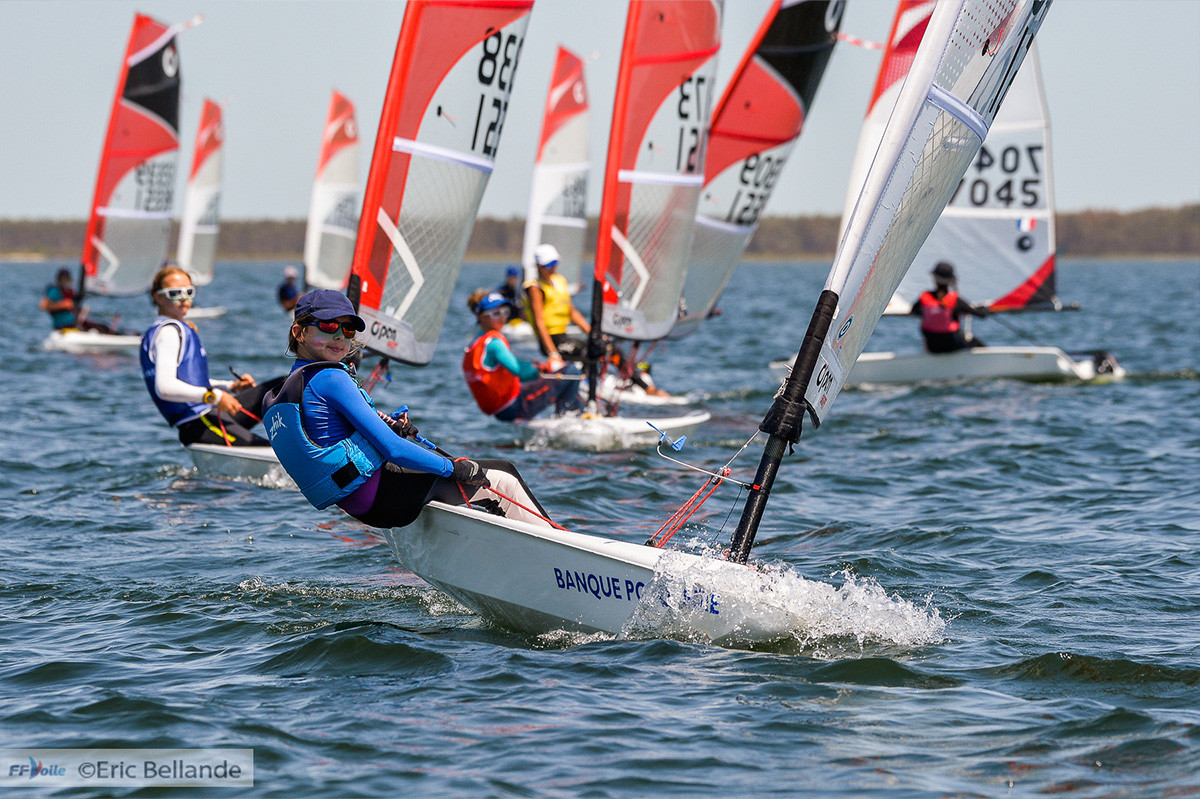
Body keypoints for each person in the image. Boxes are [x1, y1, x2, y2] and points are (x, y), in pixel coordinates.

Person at [263, 288, 553, 530]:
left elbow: (336, 433)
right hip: (381, 495)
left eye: (348, 328)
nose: (340, 335)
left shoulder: (297, 380)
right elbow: (394, 450)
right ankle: (557, 554)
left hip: (360, 503)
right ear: (299, 332)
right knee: (504, 476)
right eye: (328, 326)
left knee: (469, 479)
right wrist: (453, 468)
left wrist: (389, 425)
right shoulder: (331, 377)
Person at [140, 265, 284, 446]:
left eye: (189, 292)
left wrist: (231, 387)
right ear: (158, 297)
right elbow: (165, 387)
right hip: (199, 425)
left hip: (212, 415)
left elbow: (192, 382)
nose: (184, 298)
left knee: (285, 385)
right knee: (275, 455)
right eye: (175, 293)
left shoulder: (178, 328)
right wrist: (215, 397)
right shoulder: (168, 333)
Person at [462, 291, 583, 422]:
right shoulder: (494, 343)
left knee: (558, 378)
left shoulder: (474, 344)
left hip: (501, 409)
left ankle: (574, 412)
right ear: (481, 317)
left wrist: (538, 371)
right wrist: (543, 367)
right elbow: (519, 371)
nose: (502, 317)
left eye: (504, 312)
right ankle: (567, 419)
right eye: (496, 313)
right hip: (514, 407)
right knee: (572, 372)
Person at [524, 243, 590, 368]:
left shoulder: (560, 281)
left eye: (554, 263)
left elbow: (572, 312)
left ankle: (630, 378)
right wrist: (553, 353)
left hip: (564, 336)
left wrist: (592, 333)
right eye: (547, 265)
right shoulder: (535, 288)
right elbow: (539, 323)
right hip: (550, 340)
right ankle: (588, 383)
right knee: (585, 351)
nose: (552, 268)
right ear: (538, 267)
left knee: (599, 346)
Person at [910, 261, 989, 353]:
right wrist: (984, 309)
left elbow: (913, 311)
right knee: (975, 342)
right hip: (952, 347)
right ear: (952, 280)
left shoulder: (924, 298)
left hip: (933, 348)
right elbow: (981, 315)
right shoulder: (955, 300)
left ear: (934, 279)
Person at [39, 267, 119, 333]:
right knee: (98, 329)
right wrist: (63, 304)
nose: (67, 282)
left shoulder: (69, 292)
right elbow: (43, 305)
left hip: (76, 323)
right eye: (65, 280)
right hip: (64, 326)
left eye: (68, 280)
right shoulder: (55, 290)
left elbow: (76, 302)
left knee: (102, 327)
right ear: (60, 280)